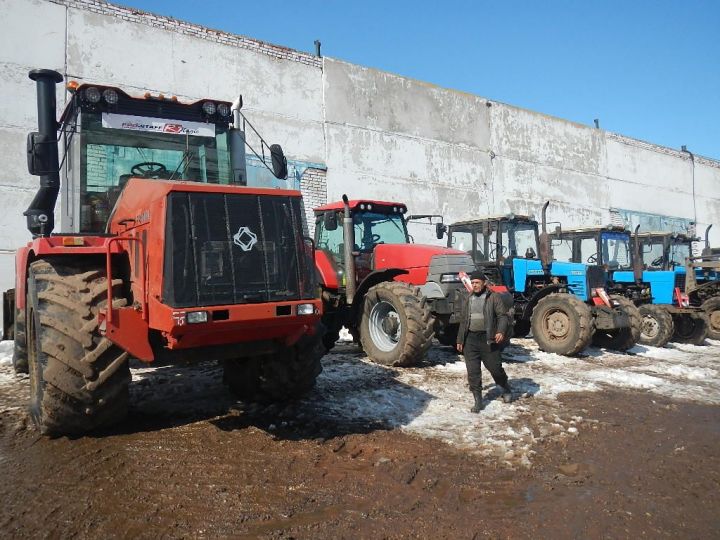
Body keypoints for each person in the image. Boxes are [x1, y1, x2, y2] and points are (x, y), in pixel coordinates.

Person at [456, 270, 513, 413]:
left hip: (488, 340)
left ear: (484, 283)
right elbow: (463, 321)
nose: (474, 285)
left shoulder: (493, 297)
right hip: (470, 340)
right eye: (473, 283)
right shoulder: (468, 298)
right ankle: (478, 400)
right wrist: (460, 339)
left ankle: (505, 387)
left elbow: (502, 316)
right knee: (473, 372)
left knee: (495, 369)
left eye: (477, 283)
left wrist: (500, 331)